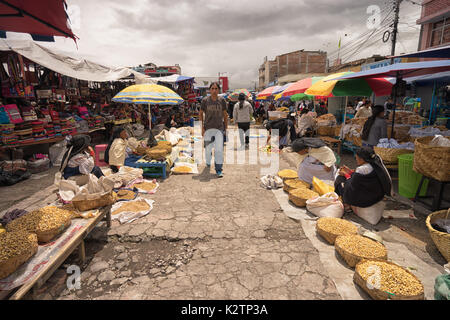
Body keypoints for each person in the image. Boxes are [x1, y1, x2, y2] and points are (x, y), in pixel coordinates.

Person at [334, 147, 392, 217]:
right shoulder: (376, 165)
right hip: (377, 196)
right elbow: (360, 179)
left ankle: (347, 204)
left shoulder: (361, 169)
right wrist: (350, 172)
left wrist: (346, 174)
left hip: (365, 200)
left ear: (362, 159)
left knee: (340, 179)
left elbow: (351, 186)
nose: (356, 160)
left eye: (356, 158)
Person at [200, 82, 228, 178]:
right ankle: (208, 160)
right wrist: (202, 127)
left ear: (218, 90)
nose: (214, 90)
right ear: (210, 90)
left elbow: (225, 114)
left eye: (216, 88)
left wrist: (226, 128)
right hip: (208, 128)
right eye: (212, 88)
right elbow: (200, 113)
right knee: (208, 149)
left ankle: (219, 169)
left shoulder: (222, 100)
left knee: (219, 150)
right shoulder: (205, 101)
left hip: (219, 129)